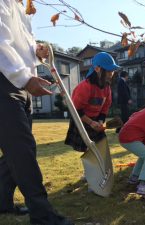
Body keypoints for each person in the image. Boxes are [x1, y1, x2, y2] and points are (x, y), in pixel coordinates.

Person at [0, 1, 74, 224]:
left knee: (20, 150)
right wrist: (25, 78)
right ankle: (42, 215)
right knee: (22, 151)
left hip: (20, 85)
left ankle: (1, 201)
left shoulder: (22, 6)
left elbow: (19, 46)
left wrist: (37, 50)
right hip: (5, 84)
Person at [65, 52, 120, 152]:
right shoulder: (85, 87)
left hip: (95, 119)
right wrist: (90, 122)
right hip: (81, 119)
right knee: (88, 150)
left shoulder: (107, 88)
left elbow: (105, 107)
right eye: (108, 71)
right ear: (97, 69)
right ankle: (91, 166)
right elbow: (76, 110)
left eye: (112, 71)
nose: (111, 74)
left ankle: (102, 167)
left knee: (102, 146)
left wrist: (100, 121)